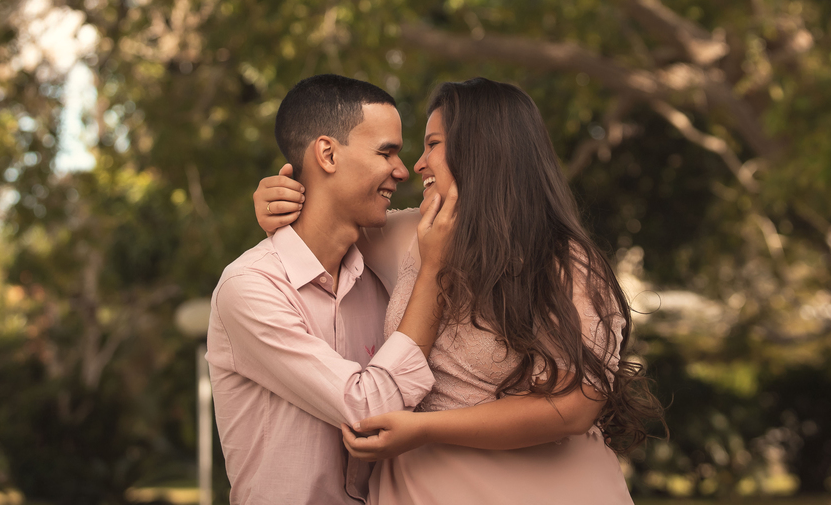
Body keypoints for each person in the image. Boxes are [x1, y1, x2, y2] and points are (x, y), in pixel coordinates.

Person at [255, 78, 662, 504]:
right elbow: (329, 218)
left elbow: (575, 408)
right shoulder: (412, 234)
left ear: (481, 150)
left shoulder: (566, 262)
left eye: (432, 144)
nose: (416, 164)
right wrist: (281, 201)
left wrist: (424, 429)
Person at [207, 74, 458, 505]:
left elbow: (473, 218)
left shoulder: (382, 272)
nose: (403, 170)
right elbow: (368, 411)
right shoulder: (250, 288)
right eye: (386, 152)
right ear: (326, 154)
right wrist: (433, 273)